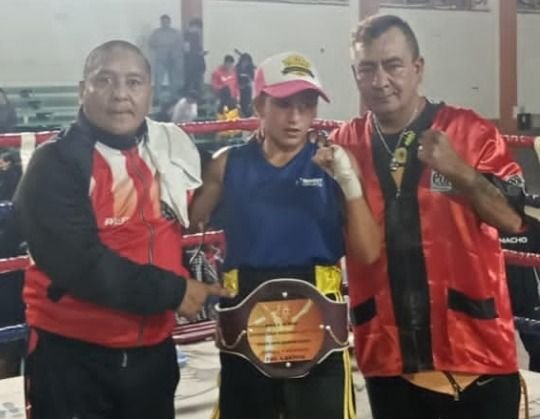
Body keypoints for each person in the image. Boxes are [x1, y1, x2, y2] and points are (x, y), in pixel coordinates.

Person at [14, 40, 229, 419]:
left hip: (153, 354)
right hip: (73, 358)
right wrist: (176, 290)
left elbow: (219, 181)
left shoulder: (171, 149)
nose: (120, 94)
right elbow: (83, 265)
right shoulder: (55, 163)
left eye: (133, 82)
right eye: (105, 80)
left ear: (150, 92)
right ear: (82, 90)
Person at [333, 14, 527, 419]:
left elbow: (512, 220)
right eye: (367, 68)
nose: (380, 80)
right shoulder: (344, 145)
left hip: (476, 355)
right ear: (354, 75)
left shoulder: (471, 131)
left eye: (393, 65)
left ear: (417, 68)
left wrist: (461, 172)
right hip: (388, 360)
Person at [191, 51, 381, 419]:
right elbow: (188, 223)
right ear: (259, 104)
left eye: (306, 105)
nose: (295, 117)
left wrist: (348, 182)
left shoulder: (335, 163)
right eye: (283, 104)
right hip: (246, 317)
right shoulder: (227, 164)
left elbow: (369, 252)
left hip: (318, 317)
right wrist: (173, 175)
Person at [149, 14, 185, 103]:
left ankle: (174, 97)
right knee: (158, 79)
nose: (164, 23)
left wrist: (177, 57)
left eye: (166, 22)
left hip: (173, 59)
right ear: (161, 22)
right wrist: (161, 46)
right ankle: (157, 98)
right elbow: (151, 44)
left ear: (169, 22)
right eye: (163, 22)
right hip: (161, 59)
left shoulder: (175, 33)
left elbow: (181, 45)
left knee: (174, 79)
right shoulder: (156, 33)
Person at [184, 18, 206, 97]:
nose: (198, 30)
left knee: (197, 79)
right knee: (191, 80)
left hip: (197, 61)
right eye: (197, 28)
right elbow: (186, 50)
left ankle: (197, 93)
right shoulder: (187, 35)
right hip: (191, 62)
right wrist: (198, 53)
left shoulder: (196, 35)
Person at [235, 52, 256, 117]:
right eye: (244, 61)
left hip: (247, 89)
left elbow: (253, 79)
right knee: (239, 103)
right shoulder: (237, 68)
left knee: (247, 103)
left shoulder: (250, 69)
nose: (245, 63)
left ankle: (247, 114)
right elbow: (234, 79)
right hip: (238, 89)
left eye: (247, 62)